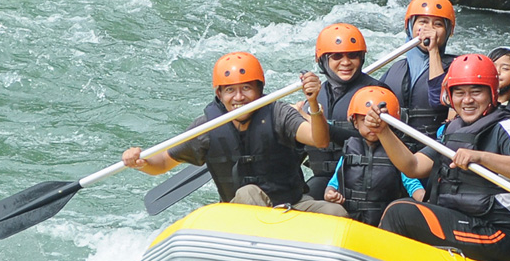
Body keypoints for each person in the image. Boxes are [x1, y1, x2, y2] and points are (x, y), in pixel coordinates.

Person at [121, 51, 347, 216]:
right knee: (249, 192)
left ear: (259, 89)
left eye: (246, 88)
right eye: (230, 90)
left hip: (292, 205)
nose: (239, 97)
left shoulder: (279, 114)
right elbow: (161, 163)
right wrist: (141, 162)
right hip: (236, 216)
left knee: (336, 213)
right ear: (219, 94)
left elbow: (319, 139)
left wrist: (313, 103)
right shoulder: (207, 128)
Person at [371, 54, 510, 261]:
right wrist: (383, 132)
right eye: (459, 93)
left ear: (491, 93)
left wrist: (481, 157)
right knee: (403, 205)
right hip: (465, 220)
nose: (467, 100)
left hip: (501, 234)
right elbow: (413, 166)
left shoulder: (507, 126)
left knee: (400, 213)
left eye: (476, 92)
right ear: (451, 97)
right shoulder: (454, 129)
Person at [300, 23, 385, 199]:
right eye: (337, 56)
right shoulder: (314, 97)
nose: (345, 62)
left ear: (361, 58)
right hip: (323, 178)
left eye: (353, 55)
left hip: (363, 179)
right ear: (323, 60)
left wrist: (318, 122)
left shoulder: (376, 93)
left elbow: (372, 142)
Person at [322, 86, 423, 225]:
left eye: (380, 121)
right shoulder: (350, 148)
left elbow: (412, 184)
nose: (372, 126)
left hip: (384, 219)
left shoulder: (397, 152)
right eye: (365, 120)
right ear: (355, 122)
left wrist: (425, 200)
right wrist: (330, 193)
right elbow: (334, 182)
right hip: (352, 216)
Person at [380, 0, 456, 137]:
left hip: (433, 145)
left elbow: (437, 100)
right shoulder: (396, 68)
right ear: (409, 26)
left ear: (448, 32)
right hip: (396, 144)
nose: (429, 29)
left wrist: (433, 50)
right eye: (423, 22)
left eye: (438, 24)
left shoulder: (457, 67)